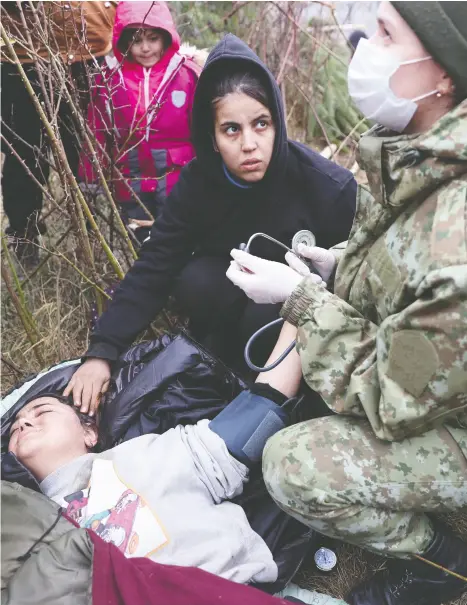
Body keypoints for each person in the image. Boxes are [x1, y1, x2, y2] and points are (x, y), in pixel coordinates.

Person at [226, 2, 467, 605]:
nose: (362, 44)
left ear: (444, 72)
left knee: (292, 465)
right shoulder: (425, 146)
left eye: (386, 33)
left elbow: (393, 400)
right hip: (441, 379)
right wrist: (339, 263)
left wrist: (299, 301)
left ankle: (438, 563)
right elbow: (408, 258)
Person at [65, 33, 357, 414]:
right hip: (225, 299)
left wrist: (320, 279)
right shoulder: (198, 182)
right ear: (212, 136)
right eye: (231, 129)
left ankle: (279, 401)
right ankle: (216, 362)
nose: (249, 144)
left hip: (299, 322)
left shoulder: (328, 187)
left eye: (261, 124)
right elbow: (156, 263)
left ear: (278, 123)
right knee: (195, 280)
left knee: (263, 314)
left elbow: (357, 285)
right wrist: (103, 351)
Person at [6, 323, 347, 605]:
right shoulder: (20, 524)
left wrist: (299, 313)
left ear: (90, 432)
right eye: (16, 424)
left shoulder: (142, 455)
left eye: (42, 412)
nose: (23, 423)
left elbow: (255, 416)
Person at [1, 1, 117, 267]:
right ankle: (24, 241)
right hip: (21, 53)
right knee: (25, 156)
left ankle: (94, 243)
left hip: (89, 47)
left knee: (87, 155)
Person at [78, 0, 201, 244]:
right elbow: (98, 131)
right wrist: (91, 176)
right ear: (124, 41)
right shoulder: (111, 80)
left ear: (167, 37)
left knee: (178, 240)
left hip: (179, 180)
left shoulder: (186, 74)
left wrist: (211, 172)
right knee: (141, 243)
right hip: (131, 181)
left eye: (153, 38)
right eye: (136, 40)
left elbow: (204, 129)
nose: (145, 48)